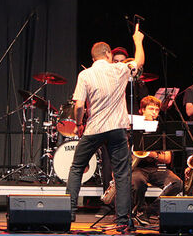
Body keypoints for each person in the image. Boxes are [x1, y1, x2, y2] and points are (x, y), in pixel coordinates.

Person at [67, 24, 144, 232]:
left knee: (76, 168)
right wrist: (138, 41)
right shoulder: (119, 69)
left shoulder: (85, 75)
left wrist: (79, 124)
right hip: (117, 130)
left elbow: (80, 105)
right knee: (122, 173)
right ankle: (121, 220)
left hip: (94, 129)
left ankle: (69, 212)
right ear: (109, 54)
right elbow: (139, 62)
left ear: (93, 59)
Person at [131, 96, 183, 225]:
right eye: (150, 109)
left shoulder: (161, 129)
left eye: (156, 110)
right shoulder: (132, 128)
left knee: (178, 183)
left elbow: (167, 158)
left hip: (156, 169)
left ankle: (148, 213)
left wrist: (151, 153)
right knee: (137, 182)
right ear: (142, 110)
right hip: (137, 168)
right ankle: (138, 211)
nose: (154, 112)